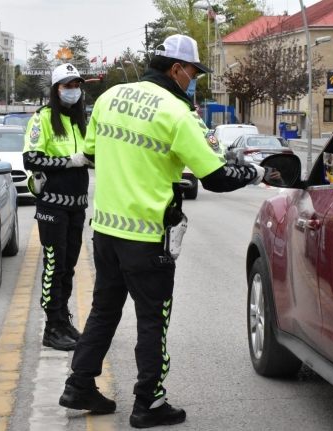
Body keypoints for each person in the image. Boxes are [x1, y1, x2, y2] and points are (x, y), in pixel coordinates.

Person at [58, 34, 276, 428]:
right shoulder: (176, 112)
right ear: (176, 68)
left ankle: (79, 385)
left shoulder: (110, 97)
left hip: (105, 232)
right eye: (193, 73)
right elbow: (217, 177)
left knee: (104, 312)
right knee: (152, 321)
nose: (194, 81)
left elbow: (90, 154)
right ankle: (150, 403)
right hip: (146, 239)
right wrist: (259, 171)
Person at [22, 63, 91, 351]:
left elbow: (90, 154)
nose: (73, 90)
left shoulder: (79, 121)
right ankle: (51, 327)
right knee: (54, 265)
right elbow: (31, 159)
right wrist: (68, 162)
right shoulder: (43, 119)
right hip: (52, 204)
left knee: (69, 266)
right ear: (55, 89)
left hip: (77, 204)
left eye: (76, 85)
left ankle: (63, 319)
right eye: (67, 85)